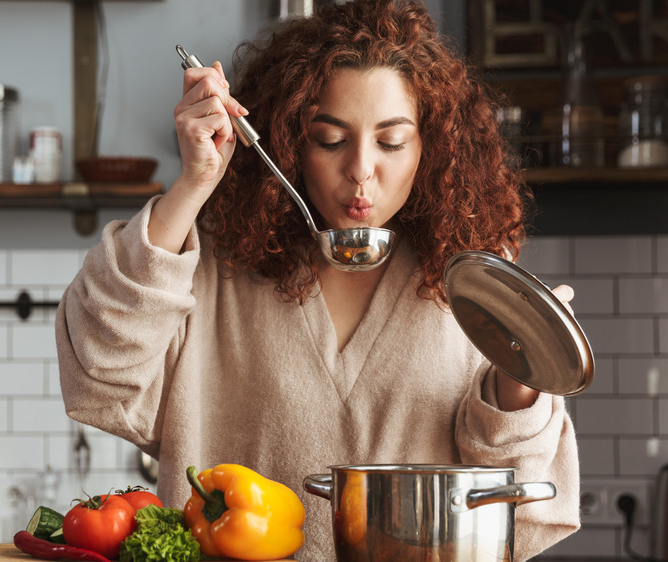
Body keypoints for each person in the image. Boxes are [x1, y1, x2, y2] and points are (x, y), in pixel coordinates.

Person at [56, 0, 580, 559]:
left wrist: (521, 377)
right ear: (288, 142)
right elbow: (100, 375)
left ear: (432, 149)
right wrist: (192, 185)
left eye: (392, 142)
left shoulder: (477, 285)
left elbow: (515, 508)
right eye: (330, 139)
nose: (360, 169)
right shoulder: (212, 269)